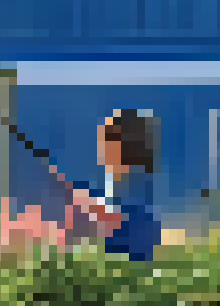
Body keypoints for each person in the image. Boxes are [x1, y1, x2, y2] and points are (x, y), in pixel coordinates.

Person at [63, 109, 163, 262]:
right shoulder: (114, 180)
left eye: (107, 141)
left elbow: (122, 215)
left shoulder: (137, 182)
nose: (101, 149)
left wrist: (89, 205)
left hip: (130, 257)